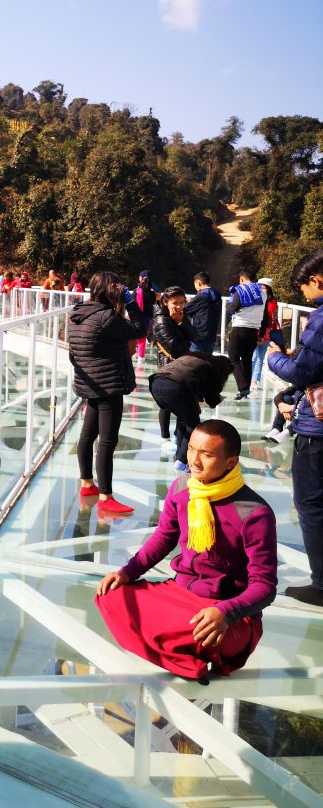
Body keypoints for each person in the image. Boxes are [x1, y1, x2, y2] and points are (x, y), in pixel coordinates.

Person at [96, 419, 277, 681]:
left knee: (200, 632)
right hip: (180, 592)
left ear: (230, 462)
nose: (195, 461)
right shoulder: (182, 488)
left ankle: (172, 650)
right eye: (192, 449)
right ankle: (183, 658)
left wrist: (226, 613)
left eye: (207, 454)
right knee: (109, 594)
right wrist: (127, 572)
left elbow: (264, 587)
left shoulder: (254, 512)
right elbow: (163, 538)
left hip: (224, 610)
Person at [267, 249, 323, 605]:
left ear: (316, 280)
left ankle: (321, 585)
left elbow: (304, 372)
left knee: (311, 503)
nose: (304, 297)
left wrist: (274, 357)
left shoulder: (321, 319)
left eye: (303, 288)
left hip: (318, 432)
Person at [67, 271, 148, 514]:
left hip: (89, 384)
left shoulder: (76, 314)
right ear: (111, 290)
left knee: (87, 436)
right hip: (109, 385)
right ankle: (106, 497)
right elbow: (140, 328)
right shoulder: (106, 317)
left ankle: (87, 484)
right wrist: (131, 301)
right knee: (107, 441)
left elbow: (76, 353)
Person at [149, 353, 233, 468]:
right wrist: (219, 398)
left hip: (155, 383)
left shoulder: (195, 359)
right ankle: (182, 461)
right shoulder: (213, 371)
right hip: (175, 386)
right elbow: (211, 400)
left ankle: (179, 456)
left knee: (184, 418)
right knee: (194, 424)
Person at [150, 286, 196, 449]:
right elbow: (174, 346)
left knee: (181, 401)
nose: (179, 306)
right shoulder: (161, 319)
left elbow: (194, 335)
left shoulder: (181, 316)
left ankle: (178, 435)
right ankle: (165, 438)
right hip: (167, 366)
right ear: (165, 302)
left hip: (181, 365)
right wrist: (183, 333)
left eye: (182, 302)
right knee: (166, 404)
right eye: (175, 303)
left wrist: (181, 322)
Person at [226, 269, 268, 399]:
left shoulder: (240, 289)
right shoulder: (262, 293)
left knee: (233, 359)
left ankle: (243, 388)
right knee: (247, 360)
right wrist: (261, 334)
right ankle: (246, 389)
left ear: (242, 279)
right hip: (254, 331)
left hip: (239, 329)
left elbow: (234, 307)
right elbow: (265, 316)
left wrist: (228, 305)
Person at [185, 270, 222, 354]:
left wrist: (188, 302)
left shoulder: (201, 296)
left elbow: (186, 309)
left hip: (198, 335)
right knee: (207, 363)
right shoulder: (217, 294)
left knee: (194, 362)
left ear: (198, 283)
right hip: (211, 335)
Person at [251, 277, 279, 389]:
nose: (261, 289)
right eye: (259, 287)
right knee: (253, 357)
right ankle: (250, 379)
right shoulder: (256, 299)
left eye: (264, 287)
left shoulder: (271, 302)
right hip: (254, 330)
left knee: (259, 357)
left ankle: (254, 380)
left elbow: (267, 314)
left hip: (265, 333)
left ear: (269, 289)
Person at [134, 270, 158, 364]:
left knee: (134, 337)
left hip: (136, 316)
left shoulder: (137, 291)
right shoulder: (152, 293)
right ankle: (141, 358)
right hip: (147, 318)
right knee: (143, 338)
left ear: (141, 278)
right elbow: (153, 303)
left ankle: (132, 355)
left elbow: (131, 302)